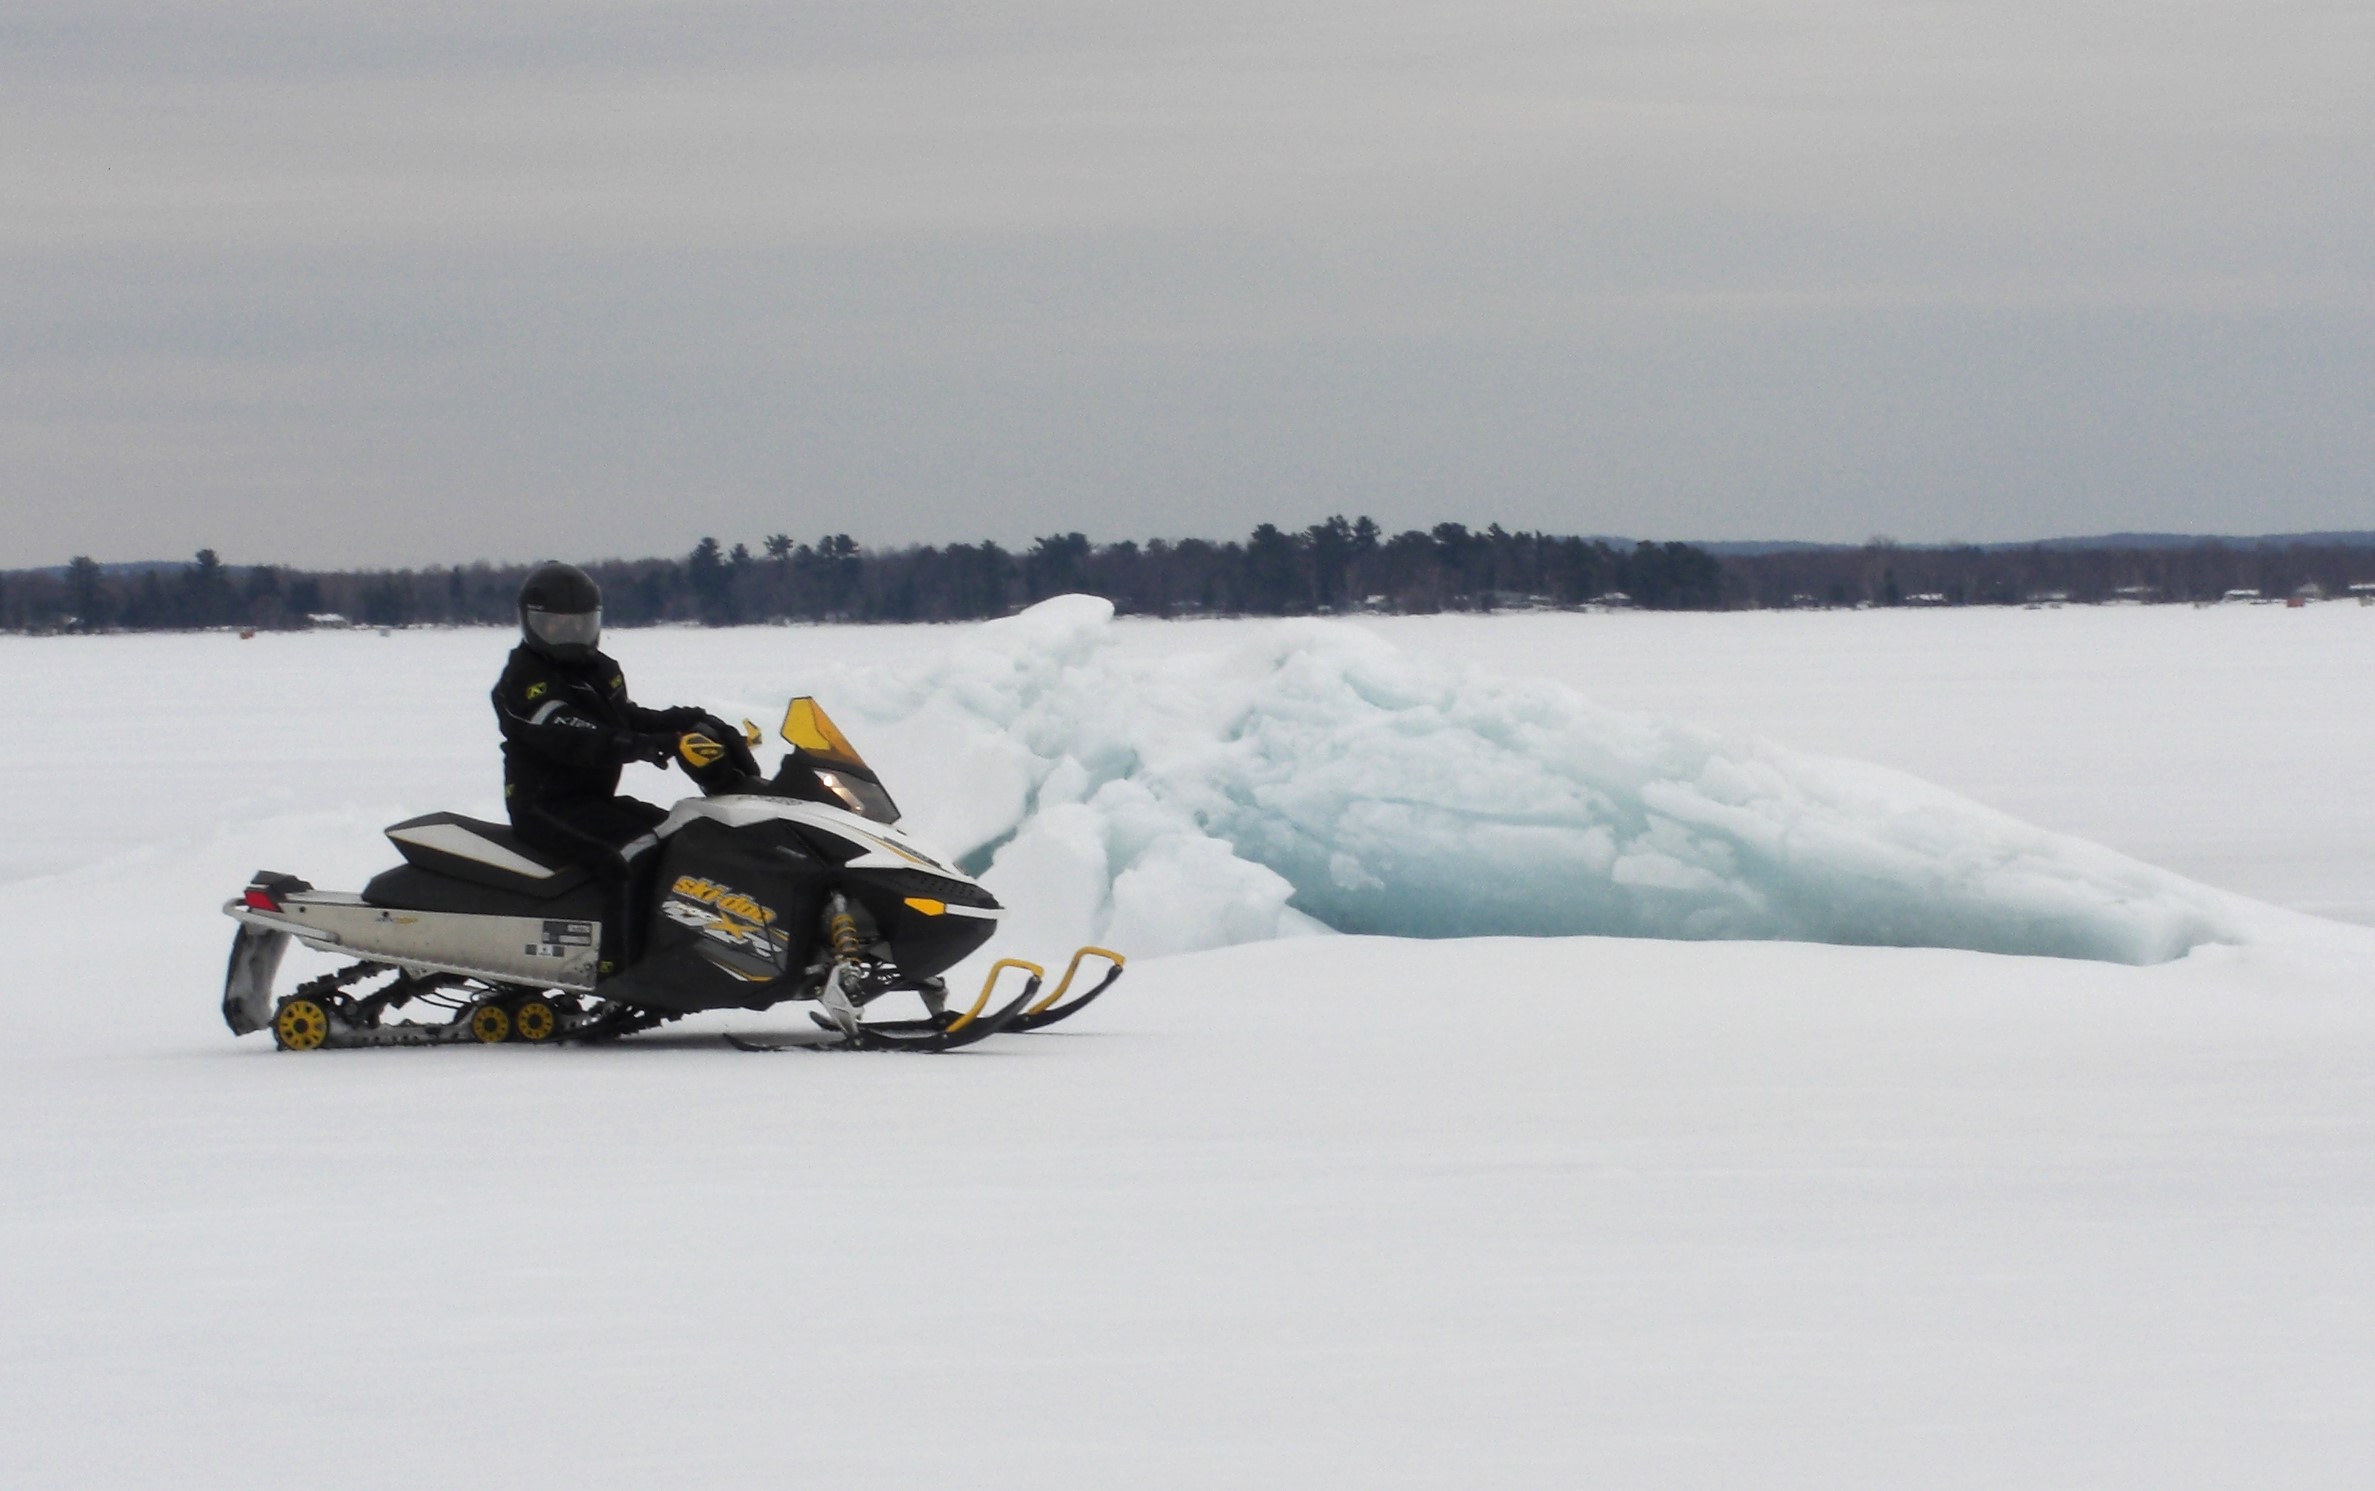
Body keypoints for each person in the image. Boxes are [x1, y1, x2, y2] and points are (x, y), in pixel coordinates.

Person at [492, 561, 710, 970]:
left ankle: (682, 948)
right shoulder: (523, 680)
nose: (569, 634)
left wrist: (684, 721)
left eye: (579, 624)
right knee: (631, 853)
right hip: (544, 807)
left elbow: (622, 719)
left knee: (681, 832)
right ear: (531, 623)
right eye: (555, 625)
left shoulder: (600, 671)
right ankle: (618, 964)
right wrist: (642, 744)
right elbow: (574, 732)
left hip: (592, 801)